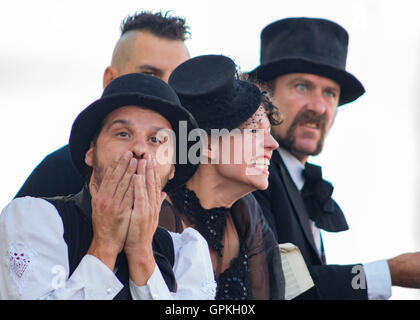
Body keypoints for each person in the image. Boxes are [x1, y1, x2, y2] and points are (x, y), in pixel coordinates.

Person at [0, 73, 216, 300]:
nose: (140, 148)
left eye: (156, 140)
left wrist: (142, 255)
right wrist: (105, 246)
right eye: (123, 134)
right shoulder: (35, 220)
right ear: (91, 152)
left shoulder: (185, 252)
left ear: (172, 168)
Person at [250, 17, 420, 299]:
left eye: (330, 93)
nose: (318, 106)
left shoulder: (298, 182)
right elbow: (279, 284)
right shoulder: (252, 173)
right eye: (302, 87)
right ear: (266, 95)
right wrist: (390, 272)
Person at [15, 10, 191, 199]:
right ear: (110, 79)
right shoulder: (58, 172)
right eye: (149, 75)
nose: (165, 88)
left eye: (178, 78)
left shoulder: (200, 174)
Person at [158, 54, 286, 300]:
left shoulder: (247, 214)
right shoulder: (157, 217)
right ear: (204, 144)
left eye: (269, 132)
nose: (272, 144)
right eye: (254, 131)